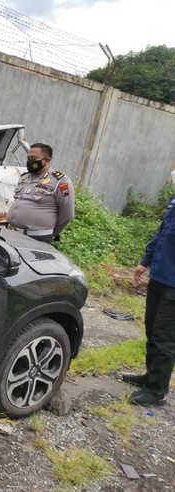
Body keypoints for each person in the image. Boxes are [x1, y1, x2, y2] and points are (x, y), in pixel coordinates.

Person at [122, 174, 175, 407]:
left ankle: (157, 392)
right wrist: (145, 261)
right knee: (152, 329)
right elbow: (162, 234)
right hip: (161, 277)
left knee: (165, 337)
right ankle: (150, 377)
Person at [6, 142, 74, 243]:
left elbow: (67, 214)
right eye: (28, 158)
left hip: (38, 238)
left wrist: (53, 233)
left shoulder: (59, 181)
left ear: (47, 160)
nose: (29, 161)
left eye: (33, 158)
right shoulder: (24, 177)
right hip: (13, 233)